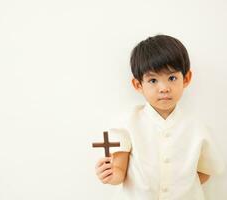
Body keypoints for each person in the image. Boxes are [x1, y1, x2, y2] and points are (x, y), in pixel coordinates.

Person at [94, 35, 225, 200]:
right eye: (153, 80)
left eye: (171, 78)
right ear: (138, 85)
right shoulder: (128, 123)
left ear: (186, 79)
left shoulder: (197, 128)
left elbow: (206, 171)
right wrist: (111, 175)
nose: (164, 88)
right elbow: (119, 171)